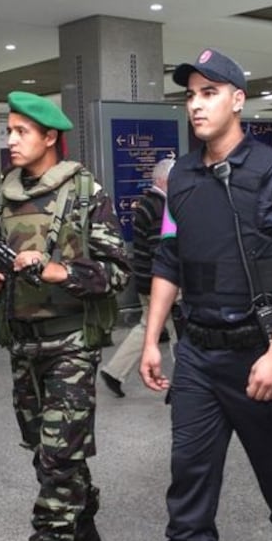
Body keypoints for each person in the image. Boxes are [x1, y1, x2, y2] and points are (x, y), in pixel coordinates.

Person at [131, 48, 272, 541]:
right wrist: (153, 337)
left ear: (238, 100)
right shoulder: (181, 177)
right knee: (188, 473)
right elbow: (167, 258)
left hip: (257, 354)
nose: (196, 103)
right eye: (190, 94)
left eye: (209, 92)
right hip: (199, 356)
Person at [0, 91, 129, 541]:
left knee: (59, 455)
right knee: (46, 450)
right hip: (22, 344)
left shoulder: (84, 192)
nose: (9, 140)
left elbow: (118, 271)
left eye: (20, 131)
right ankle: (84, 532)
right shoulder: (1, 198)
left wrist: (62, 272)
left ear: (49, 137)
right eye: (8, 130)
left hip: (70, 345)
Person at [100, 157, 177, 398]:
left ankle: (114, 371)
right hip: (161, 279)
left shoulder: (146, 202)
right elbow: (161, 247)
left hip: (146, 277)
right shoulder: (160, 207)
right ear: (164, 180)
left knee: (148, 326)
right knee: (179, 329)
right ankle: (186, 381)